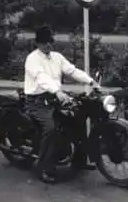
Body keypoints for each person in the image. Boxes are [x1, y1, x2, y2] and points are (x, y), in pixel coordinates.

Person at [24, 25, 99, 184]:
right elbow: (41, 77)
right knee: (51, 128)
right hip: (37, 101)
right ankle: (43, 168)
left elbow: (72, 71)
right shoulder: (32, 59)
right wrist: (57, 91)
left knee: (77, 117)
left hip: (55, 98)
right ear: (37, 43)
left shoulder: (57, 57)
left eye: (50, 42)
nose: (48, 45)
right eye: (44, 43)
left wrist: (90, 80)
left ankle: (79, 161)